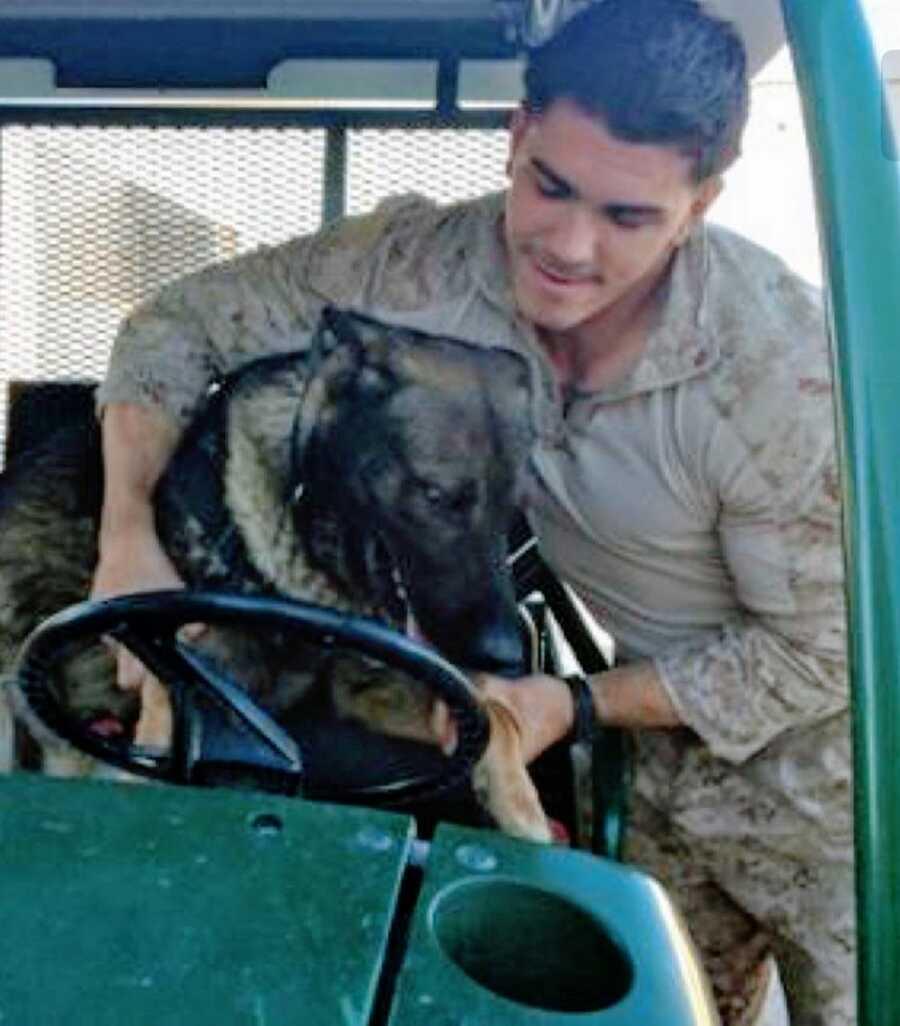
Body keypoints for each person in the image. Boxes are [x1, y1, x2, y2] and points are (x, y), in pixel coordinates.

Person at [92, 2, 852, 1024]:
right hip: (655, 768)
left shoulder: (783, 373)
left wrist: (571, 705)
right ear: (517, 137)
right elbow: (172, 329)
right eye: (552, 186)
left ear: (702, 202)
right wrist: (127, 539)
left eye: (628, 218)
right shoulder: (421, 273)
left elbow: (827, 654)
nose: (570, 249)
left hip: (841, 797)